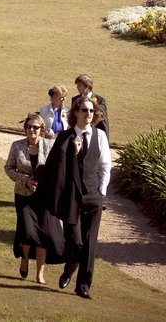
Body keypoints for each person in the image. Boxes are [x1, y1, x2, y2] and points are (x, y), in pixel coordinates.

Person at [41, 97, 111, 300]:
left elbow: (105, 166)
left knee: (90, 243)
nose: (88, 114)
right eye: (84, 110)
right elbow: (55, 166)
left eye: (91, 111)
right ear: (76, 113)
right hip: (71, 197)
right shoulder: (64, 137)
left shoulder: (100, 136)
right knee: (76, 241)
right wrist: (74, 152)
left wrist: (101, 192)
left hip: (93, 197)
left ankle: (83, 285)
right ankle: (70, 266)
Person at [4, 113, 64, 284]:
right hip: (23, 196)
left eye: (35, 127)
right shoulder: (17, 146)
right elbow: (8, 168)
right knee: (28, 233)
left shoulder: (49, 145)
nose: (32, 130)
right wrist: (26, 180)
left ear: (42, 129)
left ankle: (40, 274)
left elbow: (56, 169)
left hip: (44, 197)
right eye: (29, 126)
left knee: (44, 235)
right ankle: (24, 259)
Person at [71, 74, 109, 141]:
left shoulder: (100, 101)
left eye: (79, 85)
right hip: (77, 137)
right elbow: (72, 120)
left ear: (87, 86)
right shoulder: (75, 100)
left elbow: (103, 123)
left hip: (94, 137)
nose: (77, 87)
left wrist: (105, 142)